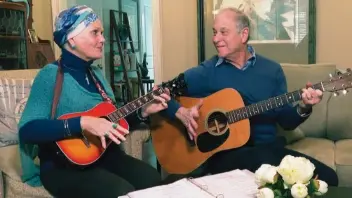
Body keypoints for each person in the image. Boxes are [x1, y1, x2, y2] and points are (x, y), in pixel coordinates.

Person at [161, 7, 338, 186]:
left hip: (268, 152)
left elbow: (286, 121)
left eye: (223, 32)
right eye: (214, 32)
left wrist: (304, 107)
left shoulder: (272, 71)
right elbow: (161, 92)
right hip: (225, 157)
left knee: (328, 178)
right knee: (266, 158)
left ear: (244, 35)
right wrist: (180, 112)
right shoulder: (206, 72)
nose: (215, 39)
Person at [18, 5, 171, 198]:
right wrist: (82, 123)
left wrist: (143, 112)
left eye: (102, 33)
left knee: (152, 179)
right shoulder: (49, 76)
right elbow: (27, 130)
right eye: (95, 33)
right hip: (63, 167)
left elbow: (111, 123)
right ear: (72, 39)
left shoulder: (97, 75)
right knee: (120, 191)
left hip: (105, 156)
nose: (103, 39)